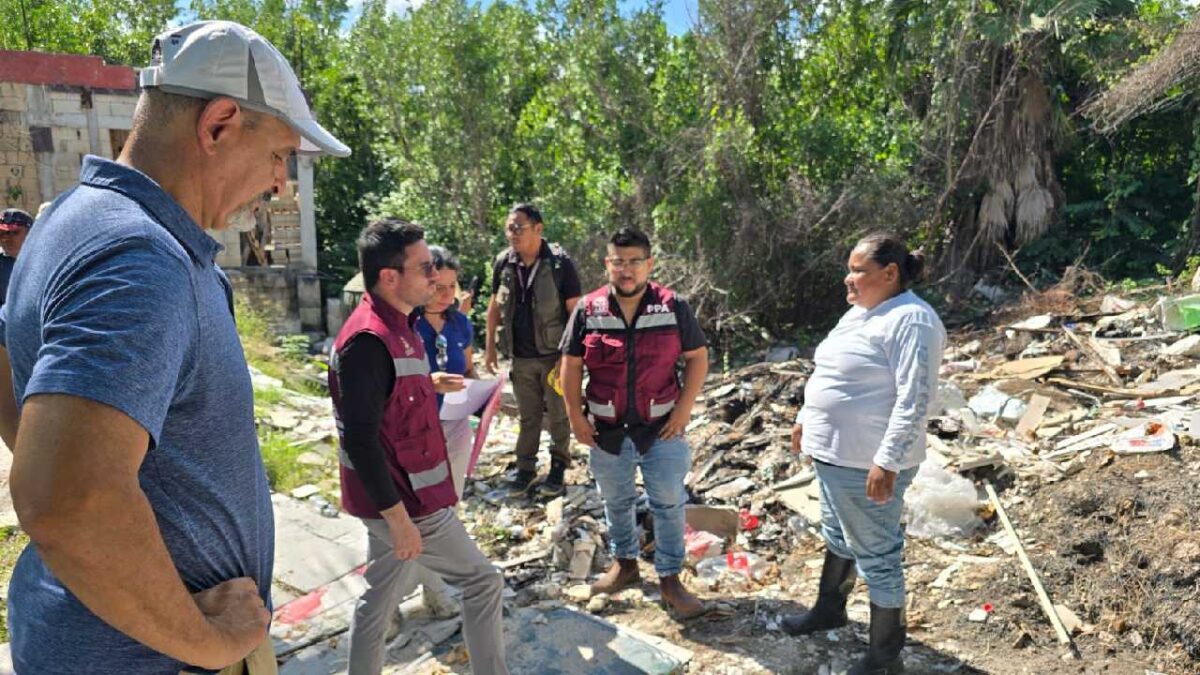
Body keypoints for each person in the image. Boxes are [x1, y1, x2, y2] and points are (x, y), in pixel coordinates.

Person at [0, 20, 349, 675]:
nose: (280, 182)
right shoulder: (139, 257)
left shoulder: (68, 220)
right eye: (280, 154)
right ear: (219, 124)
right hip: (151, 657)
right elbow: (62, 498)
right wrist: (209, 641)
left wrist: (59, 439)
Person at [330, 219, 507, 675]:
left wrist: (428, 385)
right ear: (390, 276)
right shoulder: (368, 340)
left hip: (404, 495)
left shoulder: (399, 325)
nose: (434, 276)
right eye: (425, 267)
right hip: (406, 500)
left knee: (377, 599)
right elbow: (361, 438)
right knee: (483, 582)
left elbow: (387, 402)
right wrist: (398, 519)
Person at [781, 233, 945, 675]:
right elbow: (829, 371)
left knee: (877, 554)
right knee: (839, 534)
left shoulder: (911, 320)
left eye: (858, 270)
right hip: (834, 456)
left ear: (890, 274)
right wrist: (805, 419)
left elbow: (916, 398)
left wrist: (887, 461)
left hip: (865, 462)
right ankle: (829, 610)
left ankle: (884, 657)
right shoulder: (860, 313)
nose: (848, 279)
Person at [559, 227, 709, 619]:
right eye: (618, 262)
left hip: (661, 427)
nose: (626, 270)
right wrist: (575, 416)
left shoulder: (672, 306)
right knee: (616, 501)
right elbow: (571, 365)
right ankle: (624, 565)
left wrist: (683, 410)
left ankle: (670, 578)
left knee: (669, 502)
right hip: (606, 430)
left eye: (634, 262)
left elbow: (697, 357)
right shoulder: (589, 309)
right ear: (608, 264)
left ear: (649, 264)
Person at [484, 203, 581, 497]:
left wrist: (573, 359)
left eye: (518, 227)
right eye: (508, 228)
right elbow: (494, 307)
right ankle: (525, 469)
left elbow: (576, 313)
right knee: (528, 417)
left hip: (554, 357)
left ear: (538, 229)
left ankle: (558, 468)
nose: (512, 234)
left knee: (558, 415)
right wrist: (490, 348)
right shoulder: (504, 263)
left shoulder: (560, 264)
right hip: (521, 357)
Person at [409, 244, 477, 617]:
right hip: (414, 430)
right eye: (439, 286)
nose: (447, 294)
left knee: (447, 508)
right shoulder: (405, 323)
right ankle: (411, 589)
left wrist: (482, 394)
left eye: (453, 287)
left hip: (454, 426)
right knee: (414, 510)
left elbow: (467, 371)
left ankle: (435, 587)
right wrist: (427, 382)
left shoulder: (460, 323)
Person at [0, 208, 32, 306]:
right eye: (1, 234)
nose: (6, 238)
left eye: (13, 233)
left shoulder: (49, 261)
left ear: (30, 233)